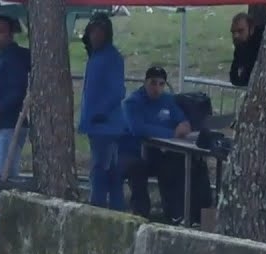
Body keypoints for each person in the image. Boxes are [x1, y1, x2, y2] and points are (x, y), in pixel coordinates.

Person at [121, 66, 192, 224]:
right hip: (131, 152)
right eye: (153, 83)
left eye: (161, 84)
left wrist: (184, 125)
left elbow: (181, 119)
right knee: (137, 169)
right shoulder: (132, 102)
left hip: (156, 152)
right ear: (145, 82)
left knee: (175, 166)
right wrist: (171, 133)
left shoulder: (167, 100)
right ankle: (140, 216)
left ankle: (176, 214)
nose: (157, 88)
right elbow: (138, 128)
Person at [78, 12, 128, 210]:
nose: (94, 36)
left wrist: (101, 112)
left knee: (102, 170)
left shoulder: (112, 57)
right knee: (108, 170)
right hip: (98, 124)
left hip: (106, 125)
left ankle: (98, 207)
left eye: (99, 32)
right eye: (92, 32)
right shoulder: (96, 56)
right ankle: (113, 208)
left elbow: (118, 90)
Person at [0, 15, 31, 177]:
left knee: (5, 174)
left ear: (11, 34)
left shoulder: (13, 57)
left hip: (6, 125)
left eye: (1, 31)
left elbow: (17, 90)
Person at [229, 12, 263, 88]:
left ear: (251, 28)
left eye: (240, 31)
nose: (236, 36)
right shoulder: (241, 45)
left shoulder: (263, 41)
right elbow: (234, 76)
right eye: (233, 32)